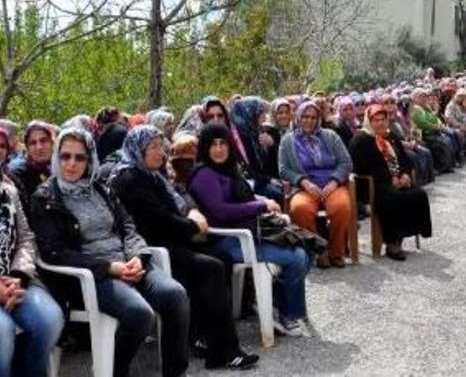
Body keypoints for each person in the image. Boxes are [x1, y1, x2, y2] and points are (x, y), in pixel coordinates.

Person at [29, 128, 190, 377]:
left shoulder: (101, 188)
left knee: (175, 295)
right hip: (93, 277)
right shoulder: (45, 197)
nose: (72, 164)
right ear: (56, 157)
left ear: (90, 158)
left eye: (80, 157)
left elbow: (127, 226)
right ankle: (116, 370)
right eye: (65, 156)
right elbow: (54, 252)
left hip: (129, 262)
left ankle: (174, 371)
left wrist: (138, 256)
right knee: (139, 314)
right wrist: (108, 268)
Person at [111, 125, 259, 370]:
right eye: (154, 147)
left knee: (221, 257)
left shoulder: (155, 175)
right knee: (210, 267)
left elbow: (182, 193)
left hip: (175, 239)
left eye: (162, 146)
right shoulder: (130, 179)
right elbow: (158, 220)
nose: (161, 152)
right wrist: (193, 225)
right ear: (138, 150)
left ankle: (202, 336)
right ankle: (223, 352)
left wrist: (192, 210)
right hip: (154, 248)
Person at [189, 123, 310, 336]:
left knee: (302, 245)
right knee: (297, 257)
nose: (219, 149)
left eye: (223, 144)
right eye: (213, 144)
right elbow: (221, 211)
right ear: (205, 147)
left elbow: (243, 194)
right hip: (228, 241)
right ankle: (288, 312)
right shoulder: (204, 175)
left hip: (248, 232)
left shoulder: (228, 169)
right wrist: (261, 205)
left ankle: (278, 305)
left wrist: (264, 200)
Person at [0, 165, 64, 377]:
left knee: (50, 320)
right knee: (2, 332)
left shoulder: (8, 191)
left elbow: (26, 238)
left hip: (14, 279)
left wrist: (18, 277)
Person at [349, 105, 432, 261]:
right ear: (369, 121)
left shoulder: (391, 136)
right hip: (373, 185)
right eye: (376, 120)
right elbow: (362, 167)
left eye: (383, 120)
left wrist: (406, 174)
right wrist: (389, 178)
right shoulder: (361, 139)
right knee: (392, 197)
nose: (380, 124)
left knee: (418, 194)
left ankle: (404, 236)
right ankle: (392, 241)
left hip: (396, 179)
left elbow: (405, 159)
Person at [279, 101, 354, 268]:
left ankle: (336, 252)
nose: (309, 121)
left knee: (341, 207)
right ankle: (319, 251)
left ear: (319, 119)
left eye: (313, 117)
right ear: (298, 118)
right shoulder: (287, 140)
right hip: (305, 187)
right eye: (305, 117)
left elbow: (346, 162)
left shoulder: (331, 136)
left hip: (331, 185)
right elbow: (283, 169)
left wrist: (334, 181)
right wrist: (304, 182)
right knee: (300, 208)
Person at [10, 122, 54, 218]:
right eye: (33, 143)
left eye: (44, 141)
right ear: (27, 148)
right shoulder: (17, 174)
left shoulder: (56, 169)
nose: (39, 147)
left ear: (52, 143)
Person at [412, 89, 456, 174]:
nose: (424, 98)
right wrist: (435, 127)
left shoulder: (425, 108)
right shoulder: (416, 109)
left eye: (425, 96)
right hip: (424, 133)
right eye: (421, 96)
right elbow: (422, 123)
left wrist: (438, 125)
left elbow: (433, 118)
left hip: (432, 130)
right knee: (441, 142)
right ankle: (441, 166)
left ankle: (447, 165)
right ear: (414, 98)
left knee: (448, 140)